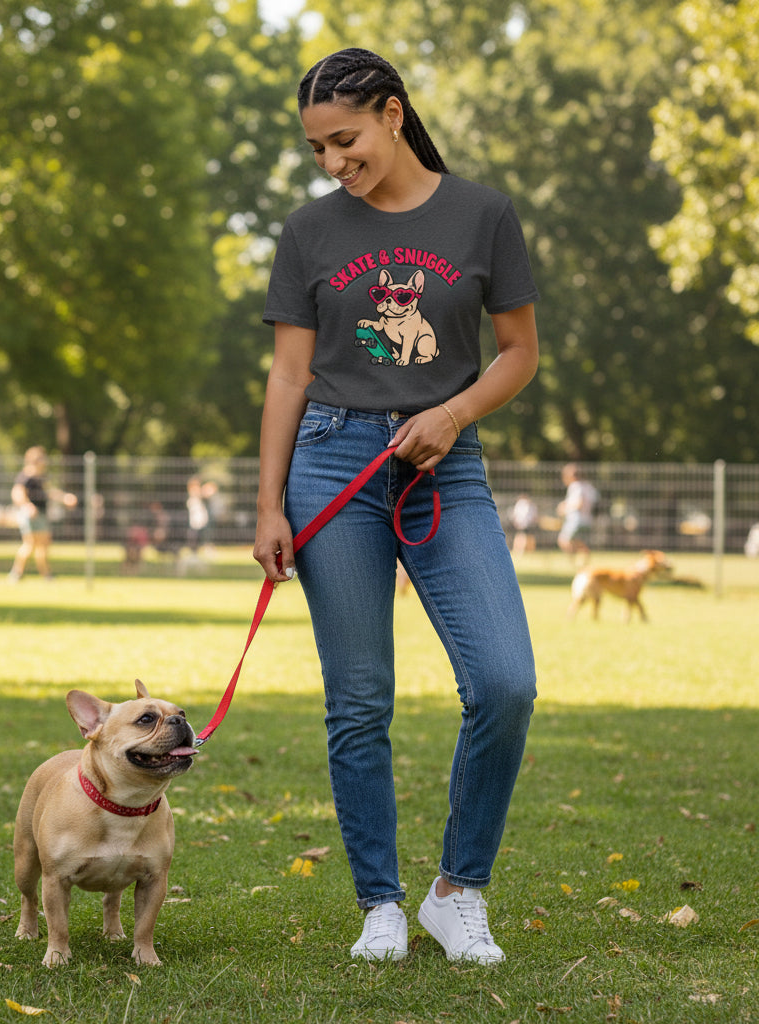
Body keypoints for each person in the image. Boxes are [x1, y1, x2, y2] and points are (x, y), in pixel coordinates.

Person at [253, 48, 539, 966]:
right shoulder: (308, 231)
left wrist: (451, 414)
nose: (334, 161)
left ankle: (458, 891)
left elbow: (518, 353)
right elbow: (290, 372)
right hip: (331, 460)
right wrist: (267, 504)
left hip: (444, 469)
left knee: (505, 682)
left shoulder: (484, 214)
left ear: (392, 111)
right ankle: (380, 901)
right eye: (318, 148)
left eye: (346, 139)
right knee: (359, 699)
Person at [8, 446, 77, 581]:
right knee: (30, 544)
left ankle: (45, 574)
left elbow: (49, 492)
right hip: (32, 515)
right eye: (42, 459)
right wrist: (27, 505)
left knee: (42, 545)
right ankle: (16, 573)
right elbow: (17, 493)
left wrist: (65, 498)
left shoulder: (41, 478)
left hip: (41, 514)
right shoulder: (25, 477)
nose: (45, 462)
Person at [556, 463, 598, 564]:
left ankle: (573, 563)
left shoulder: (575, 486)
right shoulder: (589, 486)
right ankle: (584, 561)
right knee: (579, 542)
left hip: (576, 520)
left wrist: (565, 508)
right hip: (587, 520)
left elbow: (579, 503)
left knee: (563, 541)